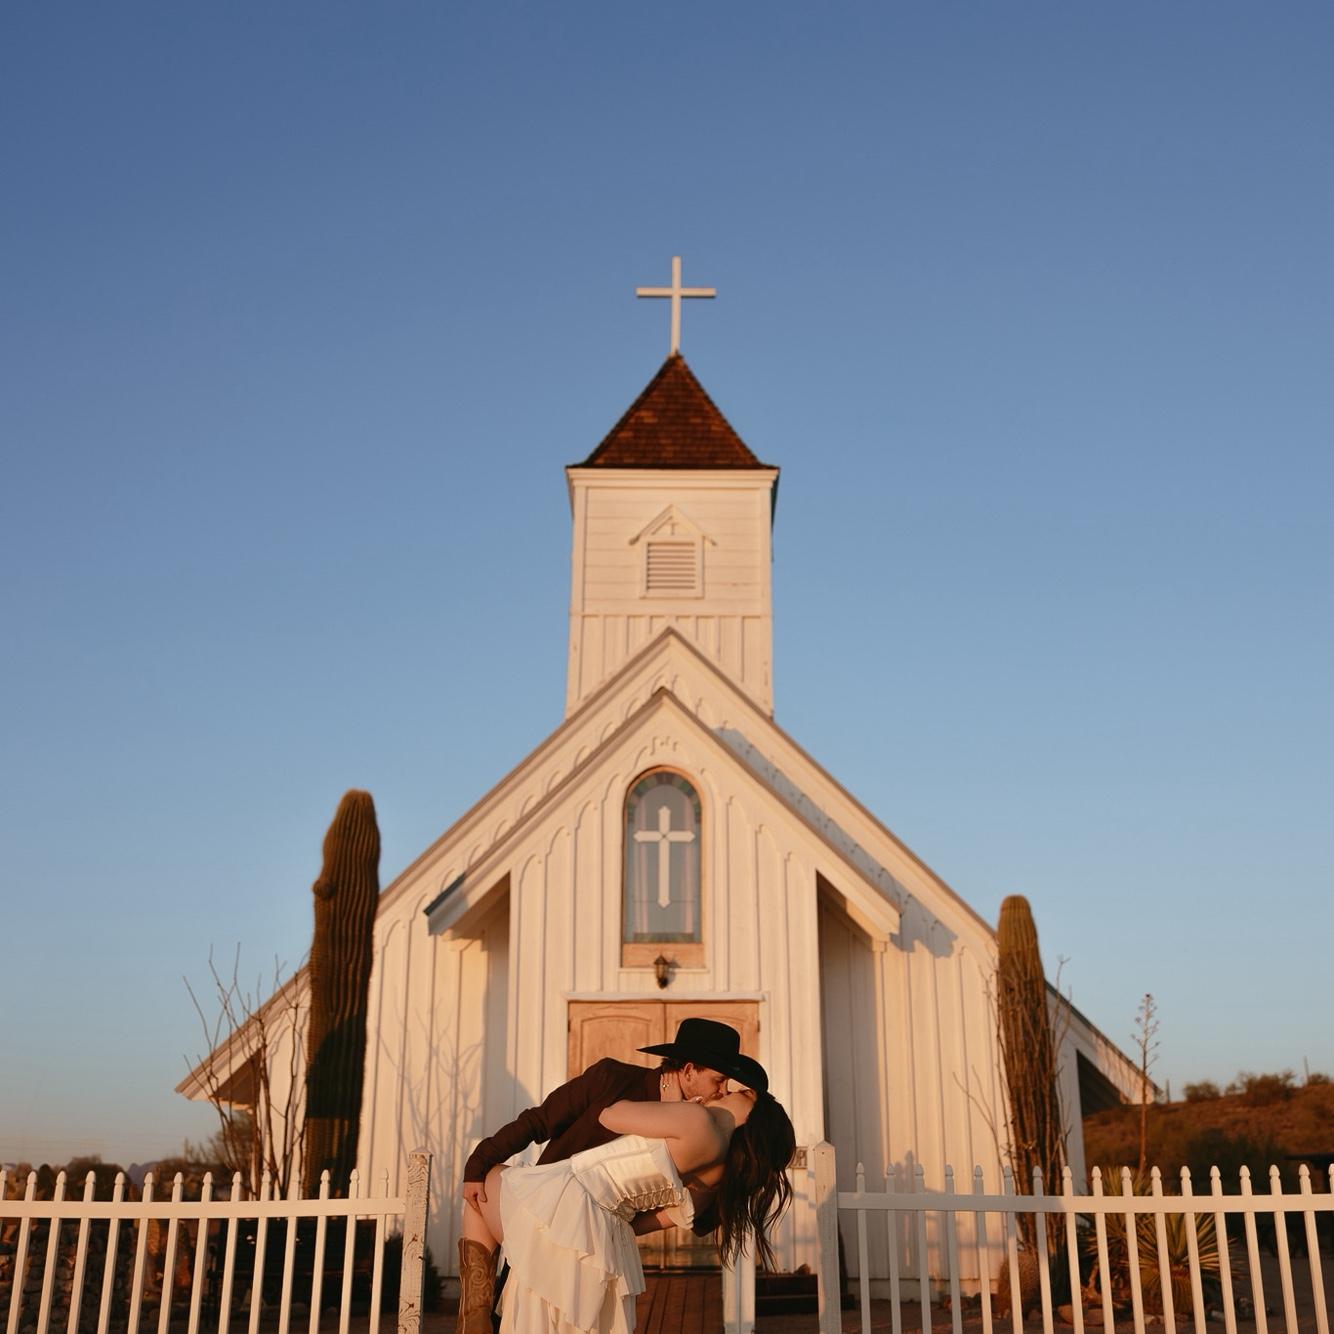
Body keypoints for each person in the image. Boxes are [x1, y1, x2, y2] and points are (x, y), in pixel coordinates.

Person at [455, 1019, 764, 1331]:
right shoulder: (612, 1078)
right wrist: (478, 1163)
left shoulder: (701, 1128)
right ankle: (476, 1319)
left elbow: (697, 1214)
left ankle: (473, 1321)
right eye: (718, 1080)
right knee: (518, 1304)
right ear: (688, 1071)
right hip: (551, 1209)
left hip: (600, 1242)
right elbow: (538, 1121)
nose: (723, 1091)